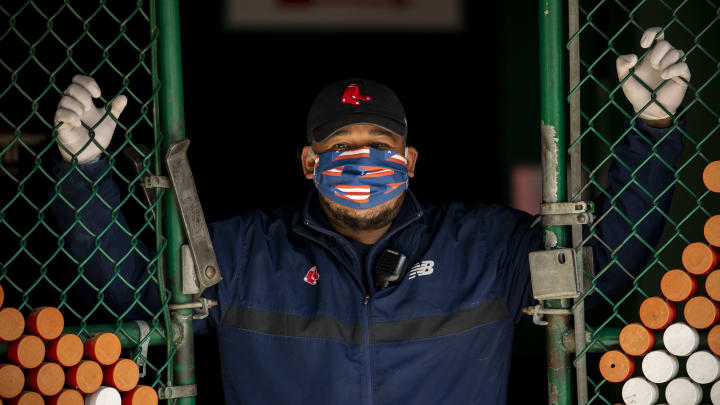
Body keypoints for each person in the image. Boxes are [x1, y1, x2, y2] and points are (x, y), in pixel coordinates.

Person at [50, 27, 689, 404]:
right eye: (339, 151)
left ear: (409, 161)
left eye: (378, 149)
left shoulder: (483, 246)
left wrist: (652, 131)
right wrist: (84, 174)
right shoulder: (246, 252)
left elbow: (597, 274)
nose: (360, 163)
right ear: (308, 163)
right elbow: (140, 294)